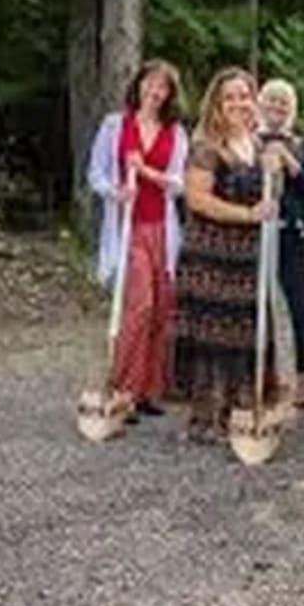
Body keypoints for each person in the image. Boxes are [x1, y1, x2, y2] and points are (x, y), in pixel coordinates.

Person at [174, 67, 282, 443]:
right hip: (211, 256)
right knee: (213, 336)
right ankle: (208, 419)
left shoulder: (259, 145)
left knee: (245, 331)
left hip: (248, 257)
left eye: (244, 96)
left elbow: (269, 200)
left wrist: (274, 176)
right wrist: (248, 215)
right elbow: (197, 199)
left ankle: (241, 413)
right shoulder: (206, 146)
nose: (238, 103)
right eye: (229, 97)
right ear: (217, 105)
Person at [87, 59, 189, 421]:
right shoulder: (115, 125)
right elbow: (96, 174)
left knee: (161, 307)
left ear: (169, 94)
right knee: (138, 305)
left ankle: (150, 390)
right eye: (150, 83)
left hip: (162, 227)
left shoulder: (175, 133)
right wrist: (116, 192)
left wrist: (146, 172)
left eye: (163, 87)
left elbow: (179, 184)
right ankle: (123, 389)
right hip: (128, 227)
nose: (155, 91)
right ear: (139, 85)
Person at [258, 78, 304, 412]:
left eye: (284, 102)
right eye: (271, 99)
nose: (277, 106)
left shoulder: (302, 144)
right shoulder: (247, 140)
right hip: (255, 234)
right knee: (259, 308)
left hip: (292, 234)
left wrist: (289, 161)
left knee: (302, 307)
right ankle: (264, 381)